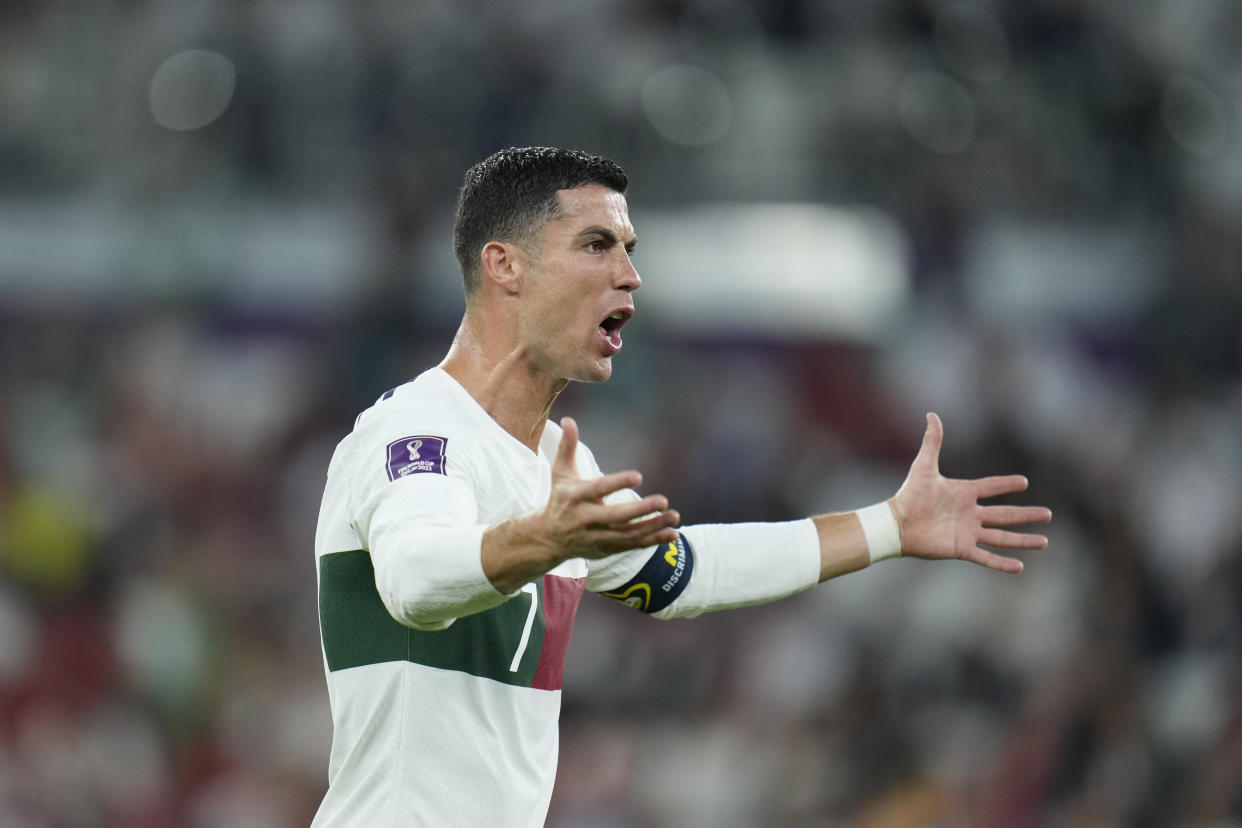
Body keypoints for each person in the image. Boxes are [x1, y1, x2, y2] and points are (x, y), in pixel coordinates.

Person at [311, 146, 1052, 826]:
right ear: (505, 266)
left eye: (629, 252)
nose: (629, 276)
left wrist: (888, 527)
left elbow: (684, 574)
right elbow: (415, 578)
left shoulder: (552, 466)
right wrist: (543, 539)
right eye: (597, 245)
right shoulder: (417, 435)